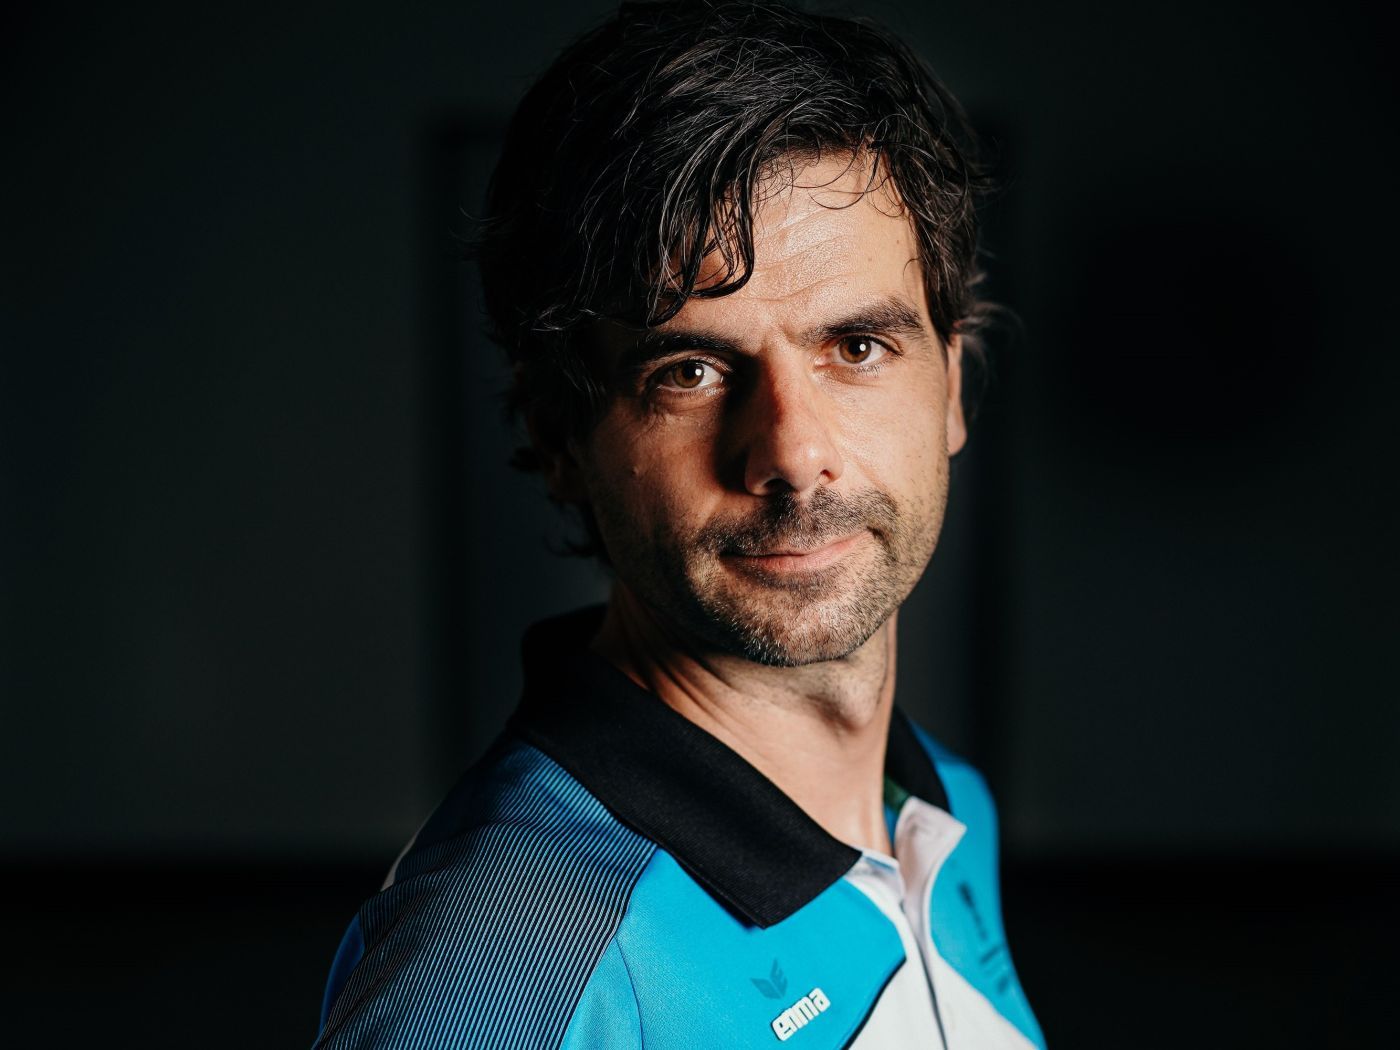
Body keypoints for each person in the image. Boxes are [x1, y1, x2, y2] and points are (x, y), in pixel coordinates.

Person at [314, 1, 1044, 1046]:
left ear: (953, 386)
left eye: (857, 348)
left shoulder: (943, 808)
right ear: (561, 438)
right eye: (690, 371)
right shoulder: (509, 963)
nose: (791, 452)